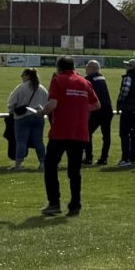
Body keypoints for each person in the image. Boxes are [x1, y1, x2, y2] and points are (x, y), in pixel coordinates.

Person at [42, 56, 96, 216]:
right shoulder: (84, 82)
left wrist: (41, 112)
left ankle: (54, 203)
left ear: (59, 68)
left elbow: (53, 103)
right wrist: (78, 108)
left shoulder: (58, 80)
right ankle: (75, 205)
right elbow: (96, 104)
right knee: (74, 171)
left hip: (60, 132)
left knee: (50, 166)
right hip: (79, 132)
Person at [6, 67, 48, 171]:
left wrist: (12, 110)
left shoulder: (21, 87)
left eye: (23, 75)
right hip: (38, 116)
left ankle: (18, 164)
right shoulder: (42, 88)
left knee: (21, 141)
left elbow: (11, 102)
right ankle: (43, 163)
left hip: (22, 117)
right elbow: (47, 101)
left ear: (27, 76)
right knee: (39, 141)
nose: (22, 77)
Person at [114, 59, 135, 167]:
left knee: (124, 134)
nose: (126, 67)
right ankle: (133, 159)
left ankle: (126, 158)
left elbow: (124, 92)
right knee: (134, 135)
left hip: (129, 110)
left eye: (128, 65)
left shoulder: (129, 77)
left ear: (133, 67)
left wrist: (119, 104)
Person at [83, 60, 113, 166]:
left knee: (87, 132)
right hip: (107, 109)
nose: (86, 68)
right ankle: (104, 158)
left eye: (87, 66)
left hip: (97, 109)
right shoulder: (101, 77)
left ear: (93, 68)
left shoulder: (88, 79)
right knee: (106, 135)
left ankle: (88, 158)